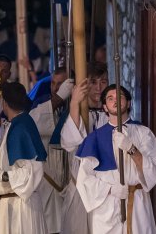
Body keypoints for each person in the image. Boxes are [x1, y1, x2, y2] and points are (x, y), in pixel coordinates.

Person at [75, 85, 156, 234]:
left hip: (137, 205)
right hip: (106, 209)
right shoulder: (95, 138)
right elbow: (83, 180)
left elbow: (154, 170)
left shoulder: (143, 133)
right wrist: (110, 189)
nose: (115, 100)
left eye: (120, 96)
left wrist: (132, 149)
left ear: (128, 103)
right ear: (105, 107)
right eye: (110, 98)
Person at [0, 81, 48, 234]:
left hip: (19, 206)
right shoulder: (19, 123)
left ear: (4, 103)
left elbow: (29, 173)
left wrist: (0, 175)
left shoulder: (20, 127)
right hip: (14, 203)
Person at [57, 61, 110, 234]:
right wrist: (74, 103)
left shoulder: (112, 116)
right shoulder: (79, 113)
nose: (98, 88)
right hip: (80, 190)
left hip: (106, 191)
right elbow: (69, 142)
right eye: (93, 82)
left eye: (103, 82)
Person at [29, 67, 74, 234]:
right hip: (49, 180)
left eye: (61, 84)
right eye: (53, 84)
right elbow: (33, 123)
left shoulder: (79, 107)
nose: (55, 88)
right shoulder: (44, 103)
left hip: (73, 181)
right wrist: (59, 97)